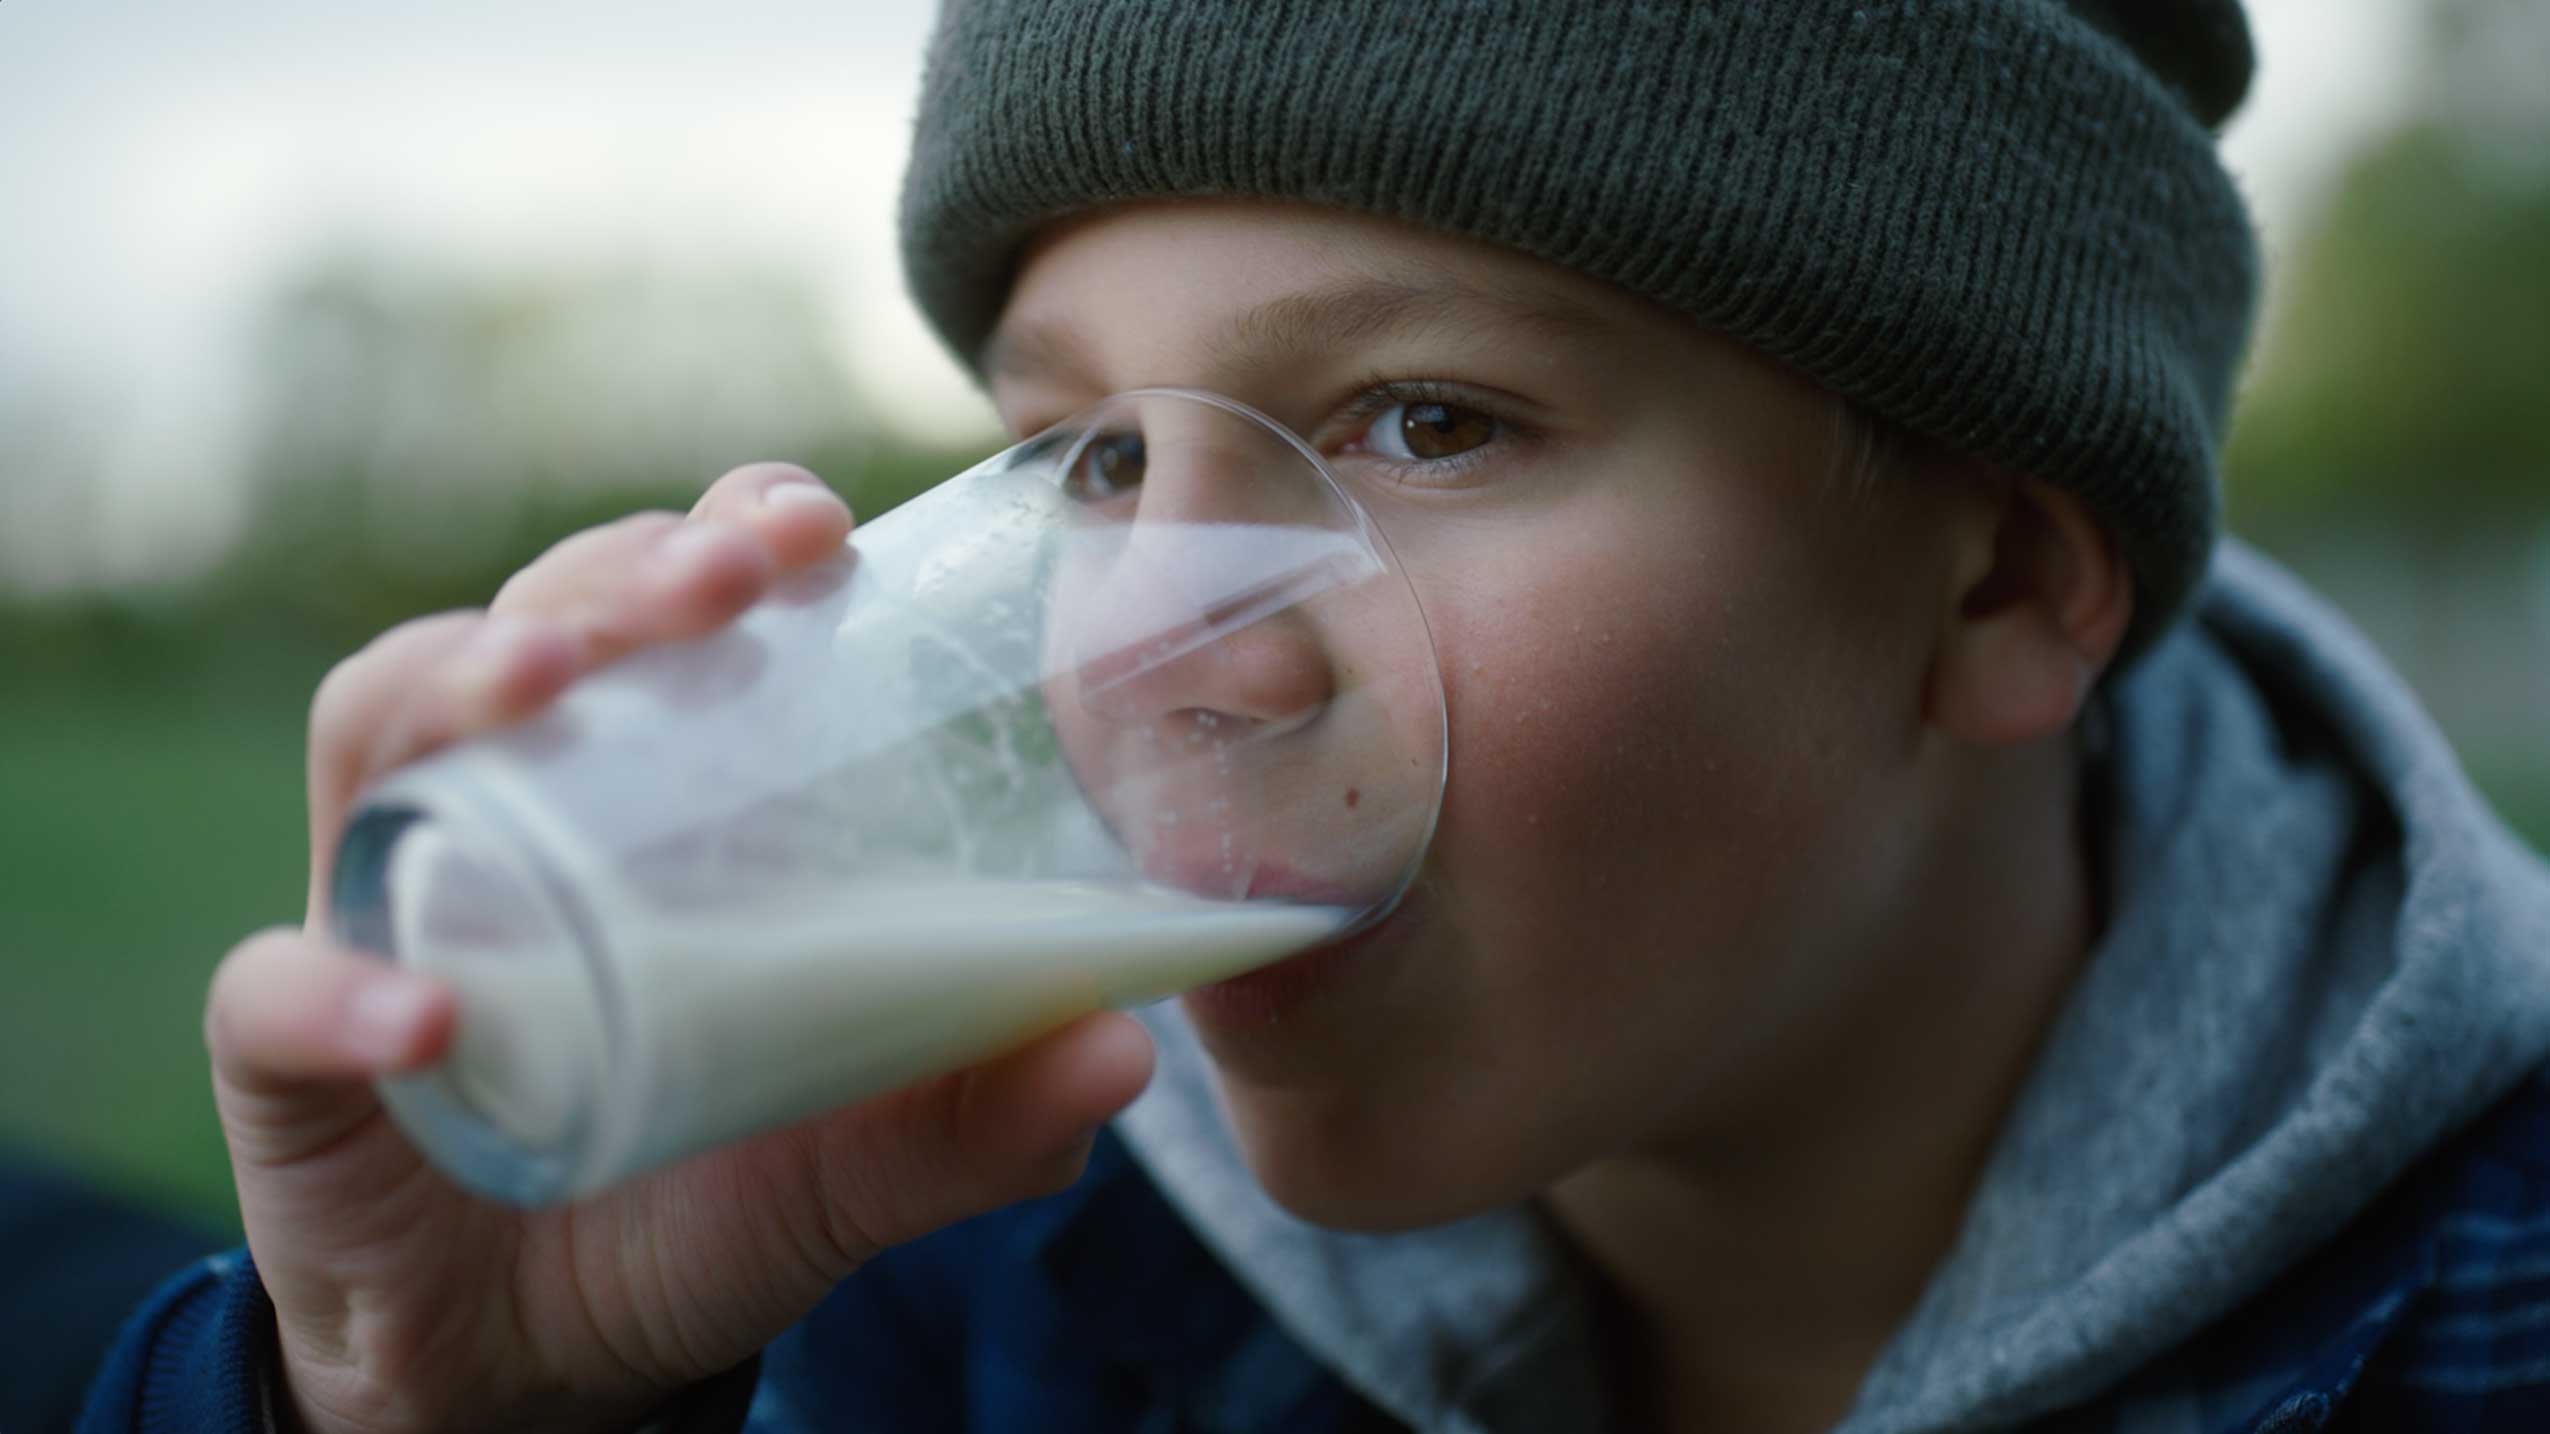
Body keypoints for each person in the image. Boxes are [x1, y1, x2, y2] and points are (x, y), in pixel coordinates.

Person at [74, 2, 2550, 1430]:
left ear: (2003, 572)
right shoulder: (970, 1283)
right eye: (1094, 458)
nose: (1162, 645)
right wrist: (429, 1409)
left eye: (1428, 422)